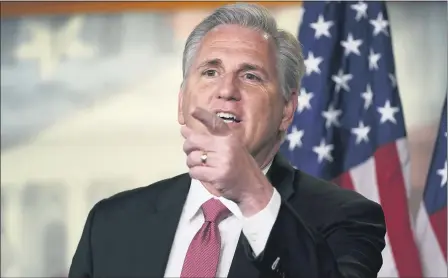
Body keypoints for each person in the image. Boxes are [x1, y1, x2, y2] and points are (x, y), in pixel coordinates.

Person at [68, 3, 386, 278]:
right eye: (210, 72)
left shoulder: (347, 217)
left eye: (251, 76)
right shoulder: (111, 224)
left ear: (287, 110)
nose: (226, 90)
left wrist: (251, 192)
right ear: (182, 102)